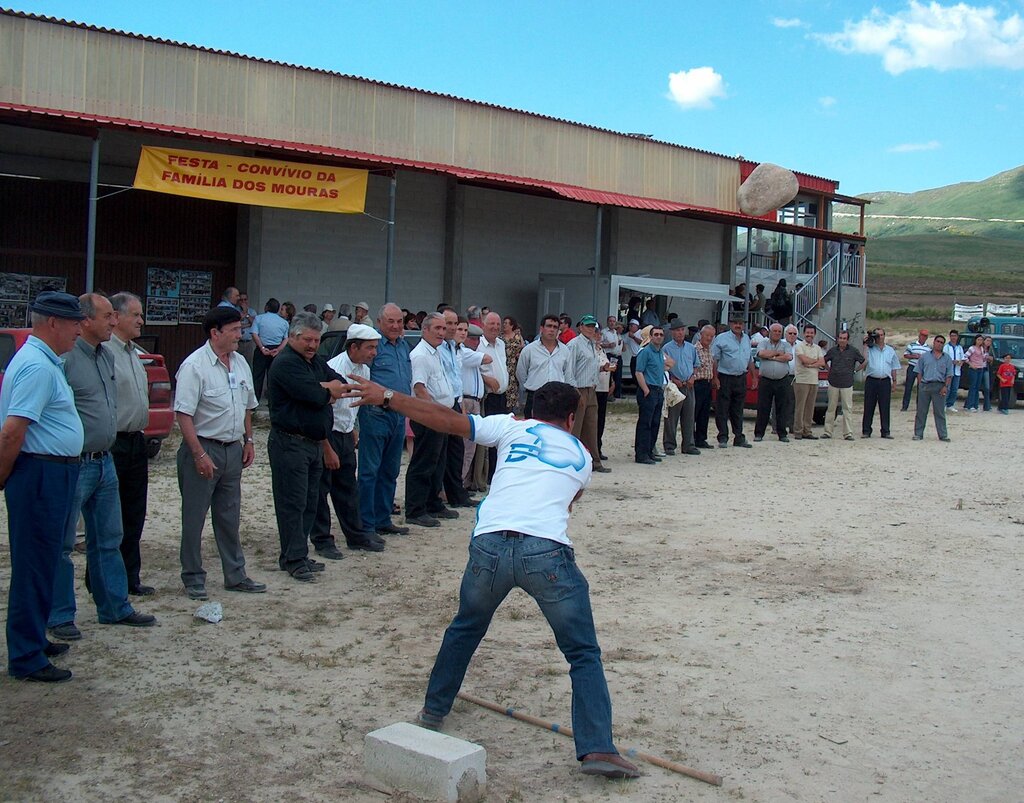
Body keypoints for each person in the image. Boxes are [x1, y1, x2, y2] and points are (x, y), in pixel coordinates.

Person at [340, 377, 640, 780]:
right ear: (571, 418)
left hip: (490, 544)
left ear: (531, 412)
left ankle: (433, 711)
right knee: (582, 653)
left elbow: (445, 419)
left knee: (465, 628)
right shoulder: (582, 455)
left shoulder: (512, 427)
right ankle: (598, 748)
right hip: (546, 551)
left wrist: (391, 397)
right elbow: (569, 500)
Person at [50, 292, 157, 643]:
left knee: (109, 537)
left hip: (105, 460)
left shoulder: (105, 357)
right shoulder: (65, 360)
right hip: (75, 463)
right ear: (85, 320)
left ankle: (114, 605)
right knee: (64, 544)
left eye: (115, 316)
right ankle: (61, 615)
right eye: (108, 316)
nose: (113, 322)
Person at [1, 292, 85, 682]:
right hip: (39, 474)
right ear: (53, 323)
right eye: (74, 323)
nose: (79, 329)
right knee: (33, 564)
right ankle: (26, 655)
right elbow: (12, 432)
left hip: (52, 472)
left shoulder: (46, 362)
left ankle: (33, 637)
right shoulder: (37, 366)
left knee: (44, 559)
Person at [174, 306, 266, 598]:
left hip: (232, 450)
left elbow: (248, 407)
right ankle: (193, 576)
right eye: (235, 330)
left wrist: (249, 440)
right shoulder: (195, 366)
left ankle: (235, 574)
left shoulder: (240, 363)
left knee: (229, 516)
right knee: (194, 517)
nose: (241, 335)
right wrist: (199, 454)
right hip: (203, 448)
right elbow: (184, 414)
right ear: (215, 333)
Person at [266, 312, 348, 581]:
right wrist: (325, 390)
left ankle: (298, 553)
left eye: (316, 340)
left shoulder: (314, 362)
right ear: (292, 337)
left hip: (313, 444)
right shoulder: (286, 363)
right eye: (307, 340)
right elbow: (315, 396)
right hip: (290, 443)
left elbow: (342, 383)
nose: (313, 345)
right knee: (293, 503)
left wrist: (325, 388)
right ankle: (293, 559)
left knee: (309, 503)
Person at [312, 323, 387, 555]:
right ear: (353, 347)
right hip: (327, 434)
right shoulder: (333, 368)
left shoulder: (363, 369)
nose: (374, 352)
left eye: (375, 347)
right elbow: (323, 410)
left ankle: (355, 536)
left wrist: (353, 428)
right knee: (321, 490)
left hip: (345, 434)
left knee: (347, 489)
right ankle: (322, 541)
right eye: (370, 347)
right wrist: (326, 446)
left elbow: (356, 405)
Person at [106, 292, 154, 596]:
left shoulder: (134, 353)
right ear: (117, 317)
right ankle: (105, 582)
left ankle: (130, 577)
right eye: (135, 315)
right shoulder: (105, 353)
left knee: (135, 513)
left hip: (137, 441)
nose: (140, 320)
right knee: (110, 517)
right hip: (114, 443)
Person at [358, 304, 411, 537]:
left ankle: (382, 519)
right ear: (379, 322)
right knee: (370, 471)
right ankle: (365, 524)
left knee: (390, 471)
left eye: (399, 321)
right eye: (391, 321)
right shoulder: (373, 346)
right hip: (376, 415)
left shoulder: (403, 346)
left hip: (398, 416)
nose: (396, 326)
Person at [405, 313, 460, 527]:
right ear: (425, 330)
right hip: (429, 416)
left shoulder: (437, 352)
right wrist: (433, 413)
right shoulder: (420, 355)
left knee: (438, 462)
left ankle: (433, 502)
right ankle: (415, 509)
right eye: (436, 328)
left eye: (443, 328)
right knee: (423, 462)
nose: (441, 332)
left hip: (442, 414)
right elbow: (420, 388)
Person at [565, 315, 610, 472]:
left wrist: (601, 369)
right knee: (576, 427)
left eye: (594, 327)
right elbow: (569, 370)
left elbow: (587, 367)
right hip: (579, 389)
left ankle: (594, 461)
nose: (592, 329)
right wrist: (575, 392)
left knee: (592, 427)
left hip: (592, 389)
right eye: (589, 326)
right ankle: (572, 462)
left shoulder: (592, 344)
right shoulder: (574, 345)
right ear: (581, 327)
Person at [711, 315, 756, 448]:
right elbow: (715, 359)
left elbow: (750, 359)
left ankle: (739, 437)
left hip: (741, 377)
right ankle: (723, 437)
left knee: (738, 409)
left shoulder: (747, 338)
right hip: (725, 377)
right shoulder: (721, 338)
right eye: (735, 323)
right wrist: (715, 377)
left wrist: (754, 377)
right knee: (722, 409)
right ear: (730, 324)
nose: (738, 325)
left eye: (740, 323)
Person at [516, 314, 569, 418]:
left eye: (555, 327)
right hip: (535, 396)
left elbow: (568, 374)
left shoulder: (565, 351)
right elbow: (521, 372)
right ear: (541, 328)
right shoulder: (529, 350)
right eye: (549, 326)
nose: (552, 330)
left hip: (557, 397)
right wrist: (530, 386)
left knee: (554, 431)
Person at [662, 319, 700, 456]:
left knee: (689, 416)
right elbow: (664, 367)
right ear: (672, 332)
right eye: (677, 330)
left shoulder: (691, 348)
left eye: (682, 330)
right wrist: (673, 379)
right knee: (672, 417)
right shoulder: (666, 348)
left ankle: (689, 444)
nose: (680, 333)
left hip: (689, 385)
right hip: (674, 386)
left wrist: (693, 377)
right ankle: (669, 445)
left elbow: (696, 365)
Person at [821, 331, 864, 441]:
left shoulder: (853, 351)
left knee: (847, 409)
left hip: (847, 383)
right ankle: (827, 431)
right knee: (831, 408)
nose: (842, 340)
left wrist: (855, 371)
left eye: (844, 338)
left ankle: (848, 433)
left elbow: (863, 362)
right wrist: (828, 369)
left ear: (847, 340)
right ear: (837, 339)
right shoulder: (832, 351)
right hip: (833, 382)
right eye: (840, 338)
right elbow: (823, 360)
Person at [753, 323, 793, 443]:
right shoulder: (763, 343)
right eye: (774, 331)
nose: (776, 333)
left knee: (782, 408)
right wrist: (777, 354)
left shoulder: (786, 344)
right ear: (770, 332)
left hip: (782, 380)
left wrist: (770, 356)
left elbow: (788, 357)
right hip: (766, 380)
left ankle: (782, 434)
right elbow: (761, 354)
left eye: (779, 331)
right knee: (763, 407)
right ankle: (759, 433)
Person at [634, 325, 666, 464]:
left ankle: (649, 451)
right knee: (645, 423)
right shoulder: (645, 352)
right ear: (651, 337)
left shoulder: (660, 352)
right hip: (648, 390)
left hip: (658, 390)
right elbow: (638, 371)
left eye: (661, 335)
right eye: (656, 334)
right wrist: (646, 389)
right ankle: (641, 454)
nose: (658, 337)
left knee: (655, 423)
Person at [912, 334, 953, 442]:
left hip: (940, 386)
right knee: (921, 411)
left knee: (939, 412)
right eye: (937, 341)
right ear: (933, 342)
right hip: (925, 385)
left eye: (941, 342)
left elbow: (949, 374)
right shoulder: (925, 356)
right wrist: (920, 384)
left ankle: (943, 435)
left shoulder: (947, 358)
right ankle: (918, 433)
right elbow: (919, 371)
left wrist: (945, 386)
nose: (939, 344)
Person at [861, 328, 900, 439]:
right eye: (877, 335)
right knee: (868, 406)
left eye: (881, 335)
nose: (879, 337)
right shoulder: (870, 348)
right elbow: (864, 360)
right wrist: (865, 344)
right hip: (871, 380)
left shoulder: (890, 350)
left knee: (885, 407)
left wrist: (894, 382)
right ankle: (866, 430)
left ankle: (885, 431)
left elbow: (894, 367)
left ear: (884, 336)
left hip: (885, 380)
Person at [251, 298, 289, 401]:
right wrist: (278, 349)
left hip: (261, 348)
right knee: (273, 377)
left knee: (257, 376)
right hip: (276, 350)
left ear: (266, 307)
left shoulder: (258, 318)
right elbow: (286, 339)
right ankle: (272, 401)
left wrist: (262, 347)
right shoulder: (284, 322)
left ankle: (255, 401)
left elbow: (254, 334)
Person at [793, 324, 825, 439]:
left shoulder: (817, 348)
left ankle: (807, 431)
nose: (809, 335)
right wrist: (816, 362)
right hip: (802, 380)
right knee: (800, 407)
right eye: (807, 332)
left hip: (814, 381)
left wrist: (811, 363)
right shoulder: (799, 346)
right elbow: (803, 360)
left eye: (812, 333)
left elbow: (822, 363)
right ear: (804, 333)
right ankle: (798, 431)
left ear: (814, 334)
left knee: (810, 407)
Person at [692, 324, 715, 449]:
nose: (709, 338)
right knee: (694, 412)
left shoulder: (710, 349)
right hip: (697, 383)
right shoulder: (694, 349)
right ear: (701, 335)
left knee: (704, 413)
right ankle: (691, 439)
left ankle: (701, 439)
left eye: (712, 336)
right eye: (707, 335)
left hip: (707, 383)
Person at [901, 329, 930, 412]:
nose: (923, 337)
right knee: (908, 387)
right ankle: (905, 406)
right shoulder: (912, 345)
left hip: (922, 369)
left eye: (925, 336)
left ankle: (919, 406)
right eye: (922, 335)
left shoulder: (928, 348)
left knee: (920, 388)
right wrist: (914, 356)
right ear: (919, 335)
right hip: (912, 366)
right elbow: (906, 355)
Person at [502, 316, 524, 413]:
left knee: (513, 390)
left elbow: (523, 348)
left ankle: (511, 411)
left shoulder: (517, 336)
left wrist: (520, 354)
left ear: (512, 325)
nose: (504, 325)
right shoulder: (500, 337)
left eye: (507, 323)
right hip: (504, 365)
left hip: (514, 366)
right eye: (504, 323)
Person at [963, 334, 987, 412]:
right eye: (978, 340)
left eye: (981, 340)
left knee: (977, 387)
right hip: (974, 369)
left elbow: (983, 358)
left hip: (980, 368)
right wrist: (971, 364)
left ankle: (975, 404)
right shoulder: (972, 348)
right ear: (975, 340)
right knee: (973, 387)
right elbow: (965, 357)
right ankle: (970, 405)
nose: (980, 341)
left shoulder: (982, 348)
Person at [943, 330, 965, 411]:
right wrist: (952, 361)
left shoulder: (959, 347)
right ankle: (944, 404)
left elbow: (963, 358)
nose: (953, 337)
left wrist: (961, 362)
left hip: (957, 371)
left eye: (955, 336)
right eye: (952, 336)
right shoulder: (946, 347)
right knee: (947, 388)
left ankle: (950, 404)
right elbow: (944, 358)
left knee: (954, 389)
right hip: (949, 371)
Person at [237, 291, 257, 370]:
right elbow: (236, 325)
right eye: (241, 300)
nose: (243, 302)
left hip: (248, 342)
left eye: (245, 299)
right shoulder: (235, 311)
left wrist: (247, 314)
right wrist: (247, 324)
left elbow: (254, 324)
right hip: (238, 342)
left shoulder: (252, 311)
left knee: (248, 365)